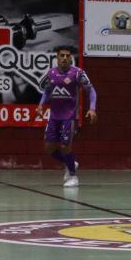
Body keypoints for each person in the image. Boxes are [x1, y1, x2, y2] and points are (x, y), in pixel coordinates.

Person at [36, 45, 96, 188]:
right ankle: (70, 163)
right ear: (56, 58)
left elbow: (91, 90)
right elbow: (47, 91)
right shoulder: (51, 73)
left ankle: (73, 176)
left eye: (67, 56)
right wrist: (40, 105)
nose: (64, 58)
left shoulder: (78, 74)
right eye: (61, 55)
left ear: (71, 58)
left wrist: (92, 108)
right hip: (54, 117)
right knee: (49, 148)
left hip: (69, 117)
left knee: (65, 146)